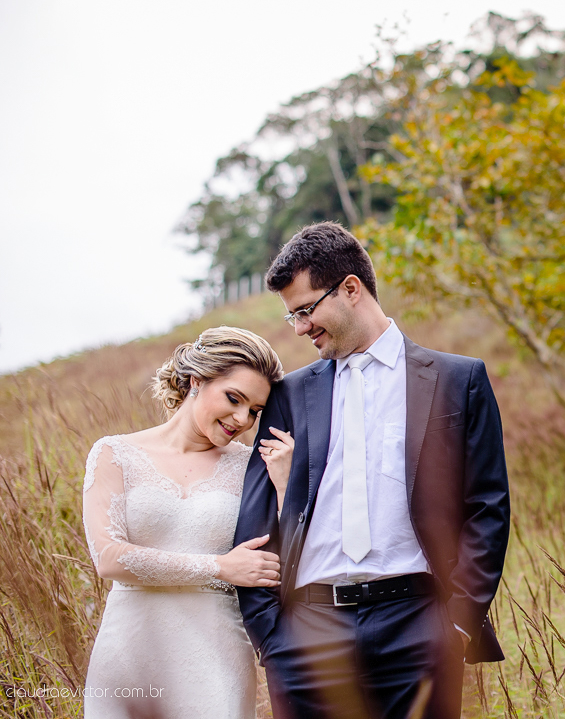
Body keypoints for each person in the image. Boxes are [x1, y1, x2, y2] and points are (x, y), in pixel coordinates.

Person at [233, 221, 509, 719]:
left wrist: (459, 624)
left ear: (351, 289)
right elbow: (258, 525)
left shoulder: (458, 380)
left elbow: (487, 508)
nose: (298, 328)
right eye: (292, 316)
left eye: (304, 311)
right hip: (305, 636)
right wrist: (270, 634)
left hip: (420, 627)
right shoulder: (289, 396)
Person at [82, 326, 296, 717]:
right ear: (197, 380)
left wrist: (285, 484)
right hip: (129, 654)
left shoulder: (253, 467)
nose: (242, 419)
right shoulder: (115, 454)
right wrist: (220, 566)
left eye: (255, 410)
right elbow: (109, 558)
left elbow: (287, 559)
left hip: (216, 658)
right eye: (234, 398)